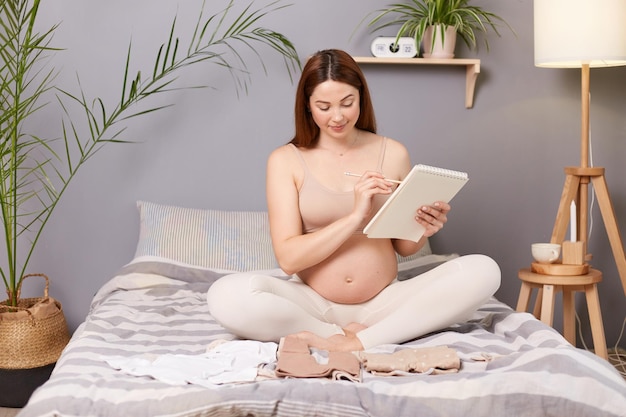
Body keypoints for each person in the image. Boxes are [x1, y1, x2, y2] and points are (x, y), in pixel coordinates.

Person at [207, 49, 500, 352]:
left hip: (385, 302)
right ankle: (335, 335)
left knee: (484, 270)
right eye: (324, 106)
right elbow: (288, 260)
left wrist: (423, 228)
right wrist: (354, 219)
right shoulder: (286, 161)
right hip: (312, 305)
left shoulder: (394, 152)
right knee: (225, 295)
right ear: (307, 106)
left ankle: (358, 342)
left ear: (361, 97)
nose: (338, 116)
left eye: (347, 103)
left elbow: (403, 247)